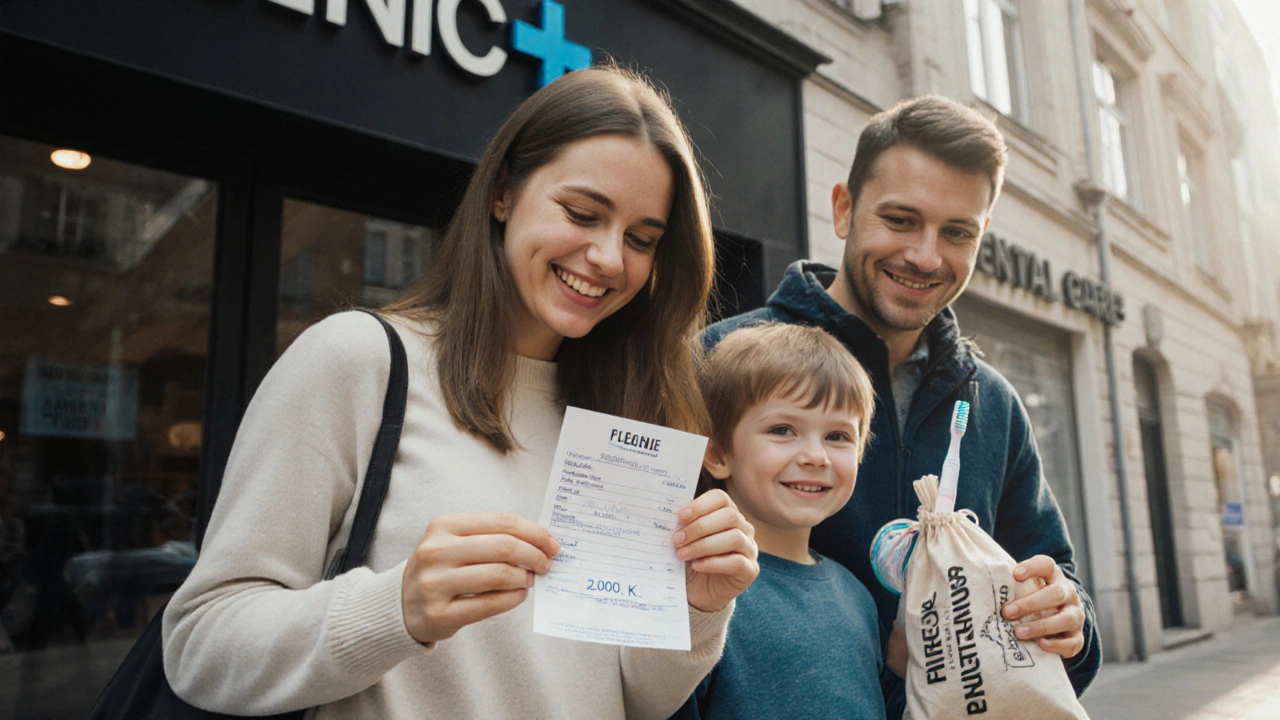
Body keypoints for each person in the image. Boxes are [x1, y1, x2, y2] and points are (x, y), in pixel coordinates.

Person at [162, 66, 759, 720]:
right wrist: (398, 608)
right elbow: (201, 644)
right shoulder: (360, 360)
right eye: (582, 214)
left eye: (643, 240)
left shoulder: (631, 421)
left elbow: (632, 702)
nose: (610, 258)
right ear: (503, 191)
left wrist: (698, 607)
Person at [702, 95, 1102, 718]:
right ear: (843, 209)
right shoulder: (718, 360)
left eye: (956, 233)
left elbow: (1062, 590)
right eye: (900, 220)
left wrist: (1066, 622)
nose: (924, 255)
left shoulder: (990, 402)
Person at [670, 323, 884, 720]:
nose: (816, 456)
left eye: (837, 436)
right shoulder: (698, 589)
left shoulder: (859, 598)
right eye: (782, 430)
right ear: (717, 454)